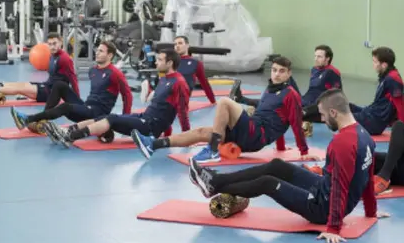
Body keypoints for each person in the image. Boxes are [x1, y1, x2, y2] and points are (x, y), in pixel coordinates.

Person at [188, 88, 389, 243]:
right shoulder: (364, 135)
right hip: (324, 190)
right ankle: (215, 181)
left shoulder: (342, 143)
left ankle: (216, 185)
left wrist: (333, 228)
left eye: (323, 115)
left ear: (334, 112)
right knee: (277, 166)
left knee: (268, 182)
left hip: (322, 209)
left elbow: (340, 187)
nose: (322, 119)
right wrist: (371, 211)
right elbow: (367, 174)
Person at [131, 56, 312, 163]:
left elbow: (294, 122)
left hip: (256, 134)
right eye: (274, 70)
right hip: (249, 131)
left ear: (289, 73)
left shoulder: (291, 95)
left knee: (225, 102)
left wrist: (303, 152)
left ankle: (212, 150)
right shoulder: (271, 89)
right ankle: (152, 145)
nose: (277, 74)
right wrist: (279, 148)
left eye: (281, 71)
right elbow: (275, 116)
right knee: (201, 131)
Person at [42, 49, 190, 147]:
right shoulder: (164, 79)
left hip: (150, 127)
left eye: (159, 60)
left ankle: (71, 136)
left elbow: (182, 111)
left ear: (170, 63)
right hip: (145, 118)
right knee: (105, 116)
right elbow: (164, 108)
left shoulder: (179, 83)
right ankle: (67, 131)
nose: (156, 62)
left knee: (111, 119)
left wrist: (185, 137)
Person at [9, 41, 133, 128]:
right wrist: (77, 100)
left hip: (97, 114)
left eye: (101, 51)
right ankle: (43, 118)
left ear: (110, 55)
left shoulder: (115, 73)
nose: (97, 52)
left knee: (66, 107)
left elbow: (127, 95)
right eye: (97, 50)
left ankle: (27, 119)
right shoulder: (93, 70)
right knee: (59, 85)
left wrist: (124, 120)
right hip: (87, 107)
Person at [0, 32, 78, 108]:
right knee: (20, 84)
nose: (52, 47)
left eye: (55, 43)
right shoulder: (52, 56)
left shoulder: (65, 58)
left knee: (21, 88)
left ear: (60, 43)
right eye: (50, 44)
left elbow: (73, 80)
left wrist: (77, 101)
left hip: (51, 93)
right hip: (47, 86)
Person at [350, 46, 404, 135]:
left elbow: (400, 105)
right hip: (371, 113)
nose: (373, 64)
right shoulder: (385, 75)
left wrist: (401, 129)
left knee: (340, 116)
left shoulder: (393, 79)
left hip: (374, 122)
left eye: (375, 62)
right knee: (346, 106)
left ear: (384, 65)